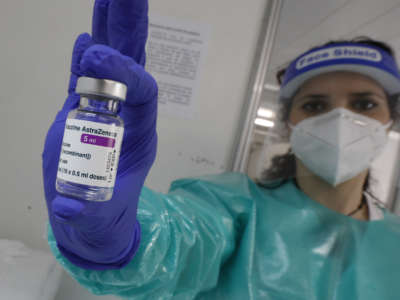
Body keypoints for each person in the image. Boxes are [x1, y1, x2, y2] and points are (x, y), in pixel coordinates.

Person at [42, 0, 400, 299]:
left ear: (391, 118)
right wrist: (124, 239)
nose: (340, 119)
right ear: (288, 122)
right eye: (315, 106)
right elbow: (183, 238)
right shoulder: (238, 213)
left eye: (365, 105)